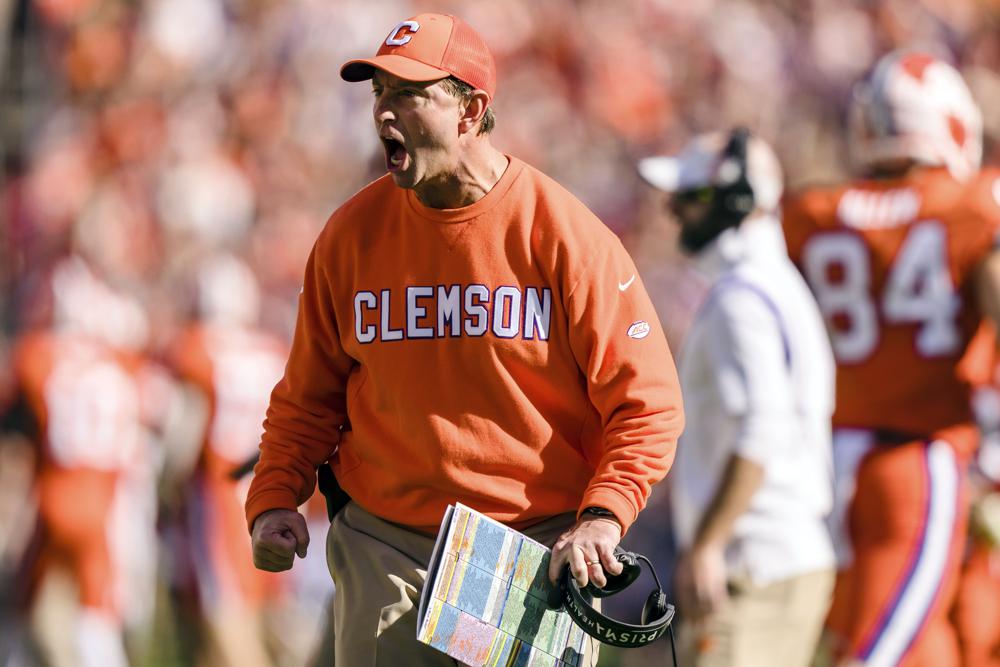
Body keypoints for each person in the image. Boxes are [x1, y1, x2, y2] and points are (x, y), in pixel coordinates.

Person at [243, 12, 685, 666]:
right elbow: (307, 398)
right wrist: (275, 496)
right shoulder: (350, 236)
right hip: (387, 543)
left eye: (409, 95)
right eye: (380, 94)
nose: (385, 114)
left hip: (529, 545)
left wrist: (604, 516)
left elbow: (646, 404)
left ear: (470, 109)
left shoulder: (564, 235)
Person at [781, 49, 1000, 667]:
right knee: (882, 651)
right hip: (918, 458)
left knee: (911, 644)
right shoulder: (971, 205)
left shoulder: (810, 215)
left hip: (825, 464)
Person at [638, 128, 836, 666]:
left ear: (735, 199)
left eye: (690, 195)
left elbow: (760, 431)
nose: (673, 210)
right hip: (780, 555)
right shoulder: (776, 283)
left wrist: (708, 544)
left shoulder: (742, 298)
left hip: (755, 560)